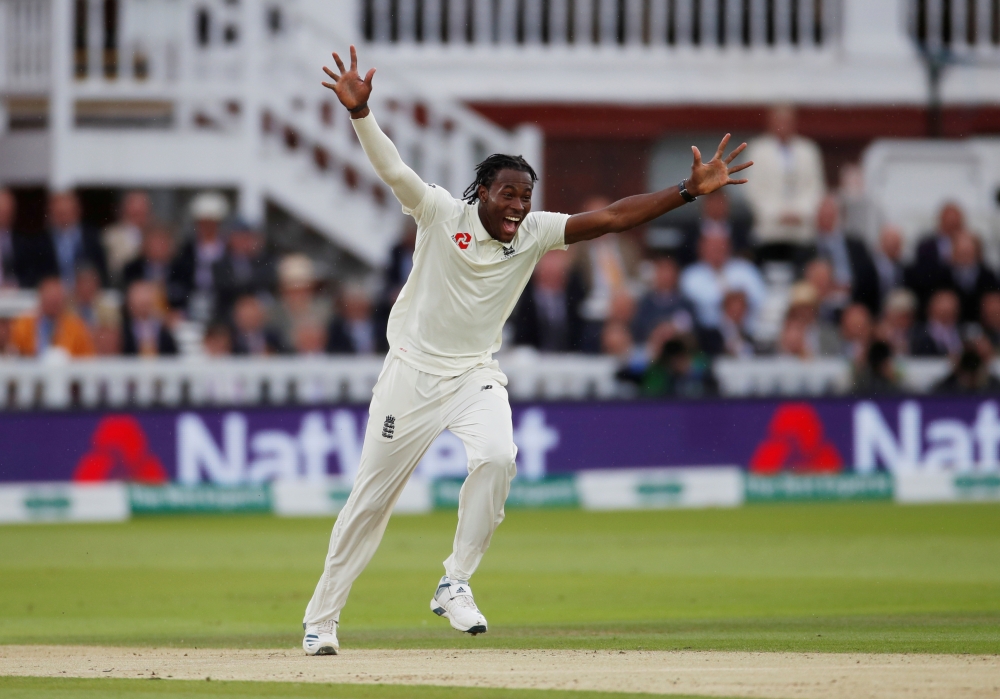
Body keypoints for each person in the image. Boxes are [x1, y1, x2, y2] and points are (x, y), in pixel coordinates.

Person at [300, 45, 751, 656]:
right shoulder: (439, 214)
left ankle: (454, 580)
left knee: (497, 456)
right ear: (483, 191)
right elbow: (394, 171)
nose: (519, 205)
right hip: (409, 374)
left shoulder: (535, 234)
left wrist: (685, 192)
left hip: (473, 376)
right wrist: (361, 115)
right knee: (370, 501)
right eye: (508, 193)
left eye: (525, 195)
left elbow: (614, 219)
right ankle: (322, 620)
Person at [744, 105, 825, 260]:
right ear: (770, 123)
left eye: (787, 122)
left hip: (802, 231)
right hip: (769, 232)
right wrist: (778, 214)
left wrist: (799, 212)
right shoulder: (758, 150)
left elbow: (816, 188)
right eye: (779, 122)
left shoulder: (808, 150)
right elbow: (753, 189)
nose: (783, 126)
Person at [795, 195, 879, 316]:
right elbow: (800, 281)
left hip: (852, 305)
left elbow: (869, 278)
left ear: (837, 216)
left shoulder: (856, 245)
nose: (826, 219)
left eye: (829, 215)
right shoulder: (805, 250)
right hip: (819, 307)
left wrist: (849, 289)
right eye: (822, 215)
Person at [679, 229, 766, 333]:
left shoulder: (746, 269)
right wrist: (729, 297)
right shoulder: (690, 275)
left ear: (730, 247)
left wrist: (739, 300)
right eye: (712, 246)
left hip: (747, 330)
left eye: (721, 245)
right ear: (701, 248)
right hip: (706, 333)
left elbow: (761, 298)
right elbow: (701, 304)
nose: (717, 250)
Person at [23, 191, 108, 289]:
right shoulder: (40, 241)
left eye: (67, 213)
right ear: (51, 213)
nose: (64, 218)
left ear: (77, 211)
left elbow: (102, 271)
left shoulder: (92, 237)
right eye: (59, 213)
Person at [509, 249, 584, 351]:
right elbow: (521, 335)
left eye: (556, 256)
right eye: (547, 256)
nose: (552, 263)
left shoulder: (576, 292)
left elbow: (580, 333)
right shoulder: (524, 293)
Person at [170, 192, 229, 320]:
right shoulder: (186, 250)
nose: (207, 227)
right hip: (191, 301)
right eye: (203, 223)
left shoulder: (229, 249)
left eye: (211, 223)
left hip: (221, 302)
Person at [10, 276, 94, 357]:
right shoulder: (24, 324)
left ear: (63, 301)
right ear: (41, 298)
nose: (53, 304)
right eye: (50, 300)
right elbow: (14, 351)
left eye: (56, 301)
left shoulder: (76, 327)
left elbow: (87, 358)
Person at [212, 218, 276, 319]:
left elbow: (269, 279)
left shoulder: (261, 259)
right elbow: (226, 288)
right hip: (230, 311)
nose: (242, 241)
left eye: (246, 237)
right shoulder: (220, 264)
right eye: (238, 237)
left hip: (258, 309)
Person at [910, 202, 965, 309]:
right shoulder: (926, 246)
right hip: (931, 298)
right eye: (949, 220)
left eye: (955, 220)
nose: (952, 223)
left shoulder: (970, 243)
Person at [631, 255, 696, 344]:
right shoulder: (645, 303)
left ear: (676, 274)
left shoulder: (686, 303)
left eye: (669, 270)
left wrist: (672, 329)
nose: (665, 275)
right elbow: (639, 329)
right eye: (662, 270)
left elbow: (692, 329)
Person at [942, 232, 999, 324]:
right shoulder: (943, 275)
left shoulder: (987, 275)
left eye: (968, 253)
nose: (964, 257)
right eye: (961, 252)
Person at [103, 190, 151, 285]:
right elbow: (112, 267)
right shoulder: (110, 235)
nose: (138, 215)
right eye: (135, 212)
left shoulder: (154, 234)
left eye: (142, 211)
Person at [121, 280, 178, 357]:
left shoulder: (163, 328)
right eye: (140, 304)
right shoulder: (122, 330)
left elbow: (172, 355)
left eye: (146, 303)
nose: (143, 308)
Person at [326, 284, 380, 354]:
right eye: (352, 305)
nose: (356, 308)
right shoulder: (336, 330)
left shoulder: (381, 327)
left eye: (360, 304)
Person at [911, 289, 963, 357]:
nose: (947, 307)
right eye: (942, 303)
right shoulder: (918, 333)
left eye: (951, 305)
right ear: (930, 308)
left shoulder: (963, 331)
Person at [872, 224, 907, 309]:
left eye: (896, 243)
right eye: (890, 242)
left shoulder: (904, 268)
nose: (893, 246)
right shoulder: (870, 267)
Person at [0, 188, 27, 288]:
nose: (4, 215)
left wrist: (16, 284)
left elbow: (30, 272)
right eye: (1, 210)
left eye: (7, 211)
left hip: (17, 295)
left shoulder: (23, 241)